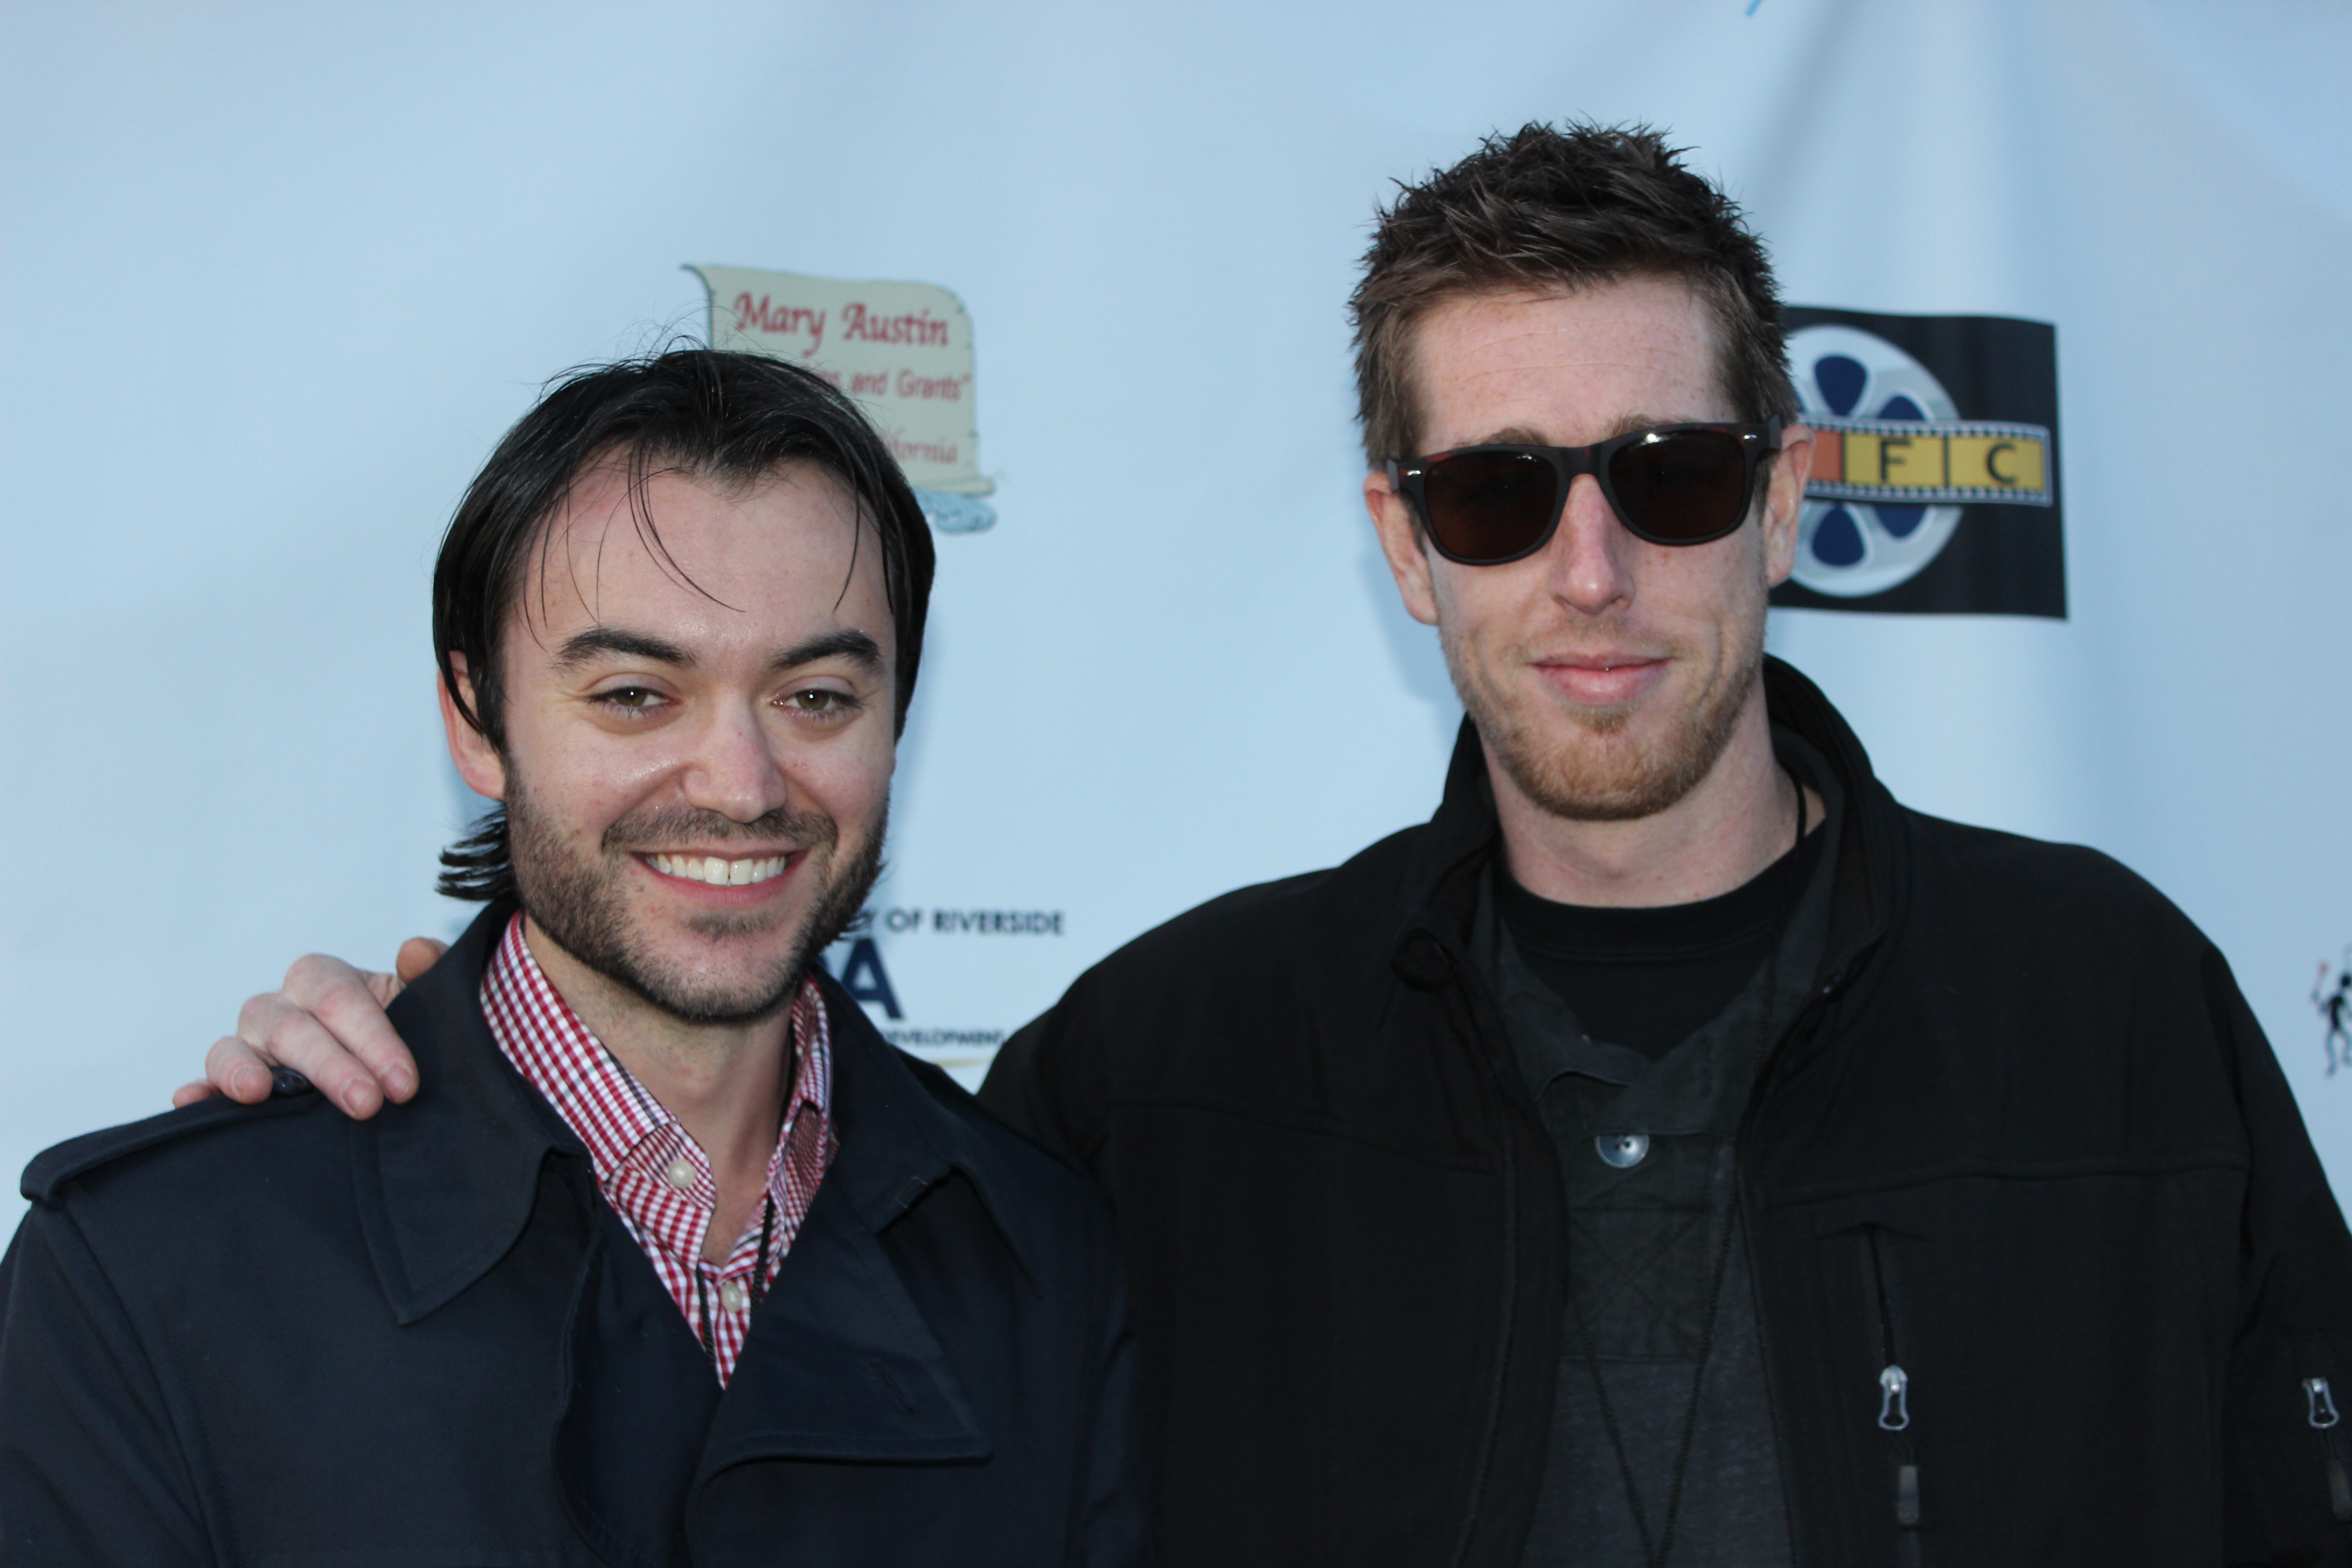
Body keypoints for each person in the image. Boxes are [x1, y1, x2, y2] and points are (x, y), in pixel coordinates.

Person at [187, 126, 2352, 1566]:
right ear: (1407, 551)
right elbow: (748, 1221)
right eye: (1499, 492)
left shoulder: (2113, 1003)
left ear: (1788, 496)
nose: (1588, 568)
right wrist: (433, 1069)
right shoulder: (1164, 1073)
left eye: (1669, 475)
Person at [1, 350, 1143, 1566]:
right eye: (637, 694)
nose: (741, 784)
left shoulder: (1045, 1260)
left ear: (895, 720)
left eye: (815, 697)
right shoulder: (150, 1272)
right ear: (476, 719)